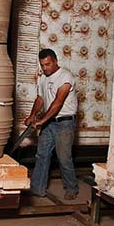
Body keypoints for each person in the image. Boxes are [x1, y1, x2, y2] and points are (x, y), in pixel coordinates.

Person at [25, 48, 79, 200]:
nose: (45, 68)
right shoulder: (43, 77)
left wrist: (42, 120)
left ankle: (71, 188)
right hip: (50, 124)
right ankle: (37, 188)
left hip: (65, 123)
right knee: (41, 155)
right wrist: (32, 115)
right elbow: (41, 99)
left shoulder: (65, 77)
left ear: (55, 61)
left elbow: (58, 103)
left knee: (64, 158)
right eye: (42, 65)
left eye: (48, 64)